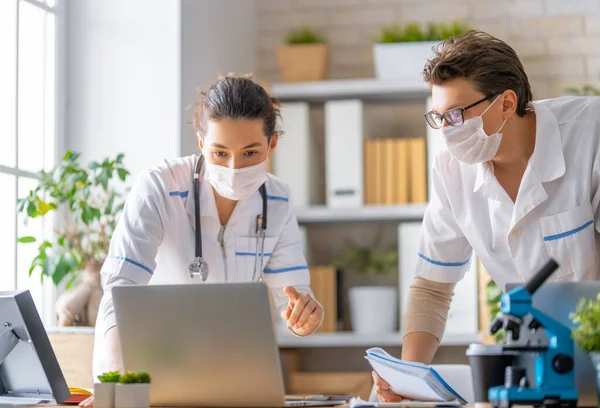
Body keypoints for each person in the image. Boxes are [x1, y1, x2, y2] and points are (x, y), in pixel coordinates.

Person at [373, 30, 600, 402]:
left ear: (507, 103)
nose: (447, 131)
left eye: (457, 114)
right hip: (534, 367)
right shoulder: (452, 169)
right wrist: (408, 383)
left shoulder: (591, 135)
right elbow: (431, 288)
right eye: (438, 117)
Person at [83, 74, 323, 406]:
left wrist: (306, 317)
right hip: (146, 375)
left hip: (231, 380)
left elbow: (294, 299)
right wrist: (119, 378)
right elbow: (120, 289)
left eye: (251, 152)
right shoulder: (159, 187)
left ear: (272, 144)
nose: (234, 167)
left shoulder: (278, 200)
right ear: (200, 142)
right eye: (220, 152)